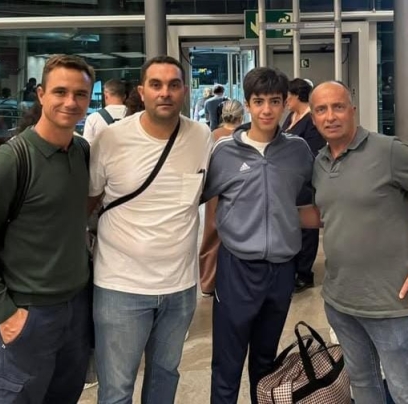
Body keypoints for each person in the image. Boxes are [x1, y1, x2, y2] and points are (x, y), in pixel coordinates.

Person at [0, 54, 95, 403]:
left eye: (80, 94)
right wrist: (6, 314)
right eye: (60, 92)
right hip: (28, 313)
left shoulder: (81, 151)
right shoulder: (10, 162)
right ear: (41, 94)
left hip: (76, 310)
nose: (70, 102)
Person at [300, 81, 408, 404]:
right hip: (341, 302)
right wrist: (270, 212)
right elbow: (327, 214)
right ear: (313, 119)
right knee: (363, 385)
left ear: (352, 111)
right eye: (321, 110)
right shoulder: (319, 163)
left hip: (389, 303)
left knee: (406, 392)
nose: (330, 116)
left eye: (338, 107)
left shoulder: (388, 151)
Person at [88, 55, 213, 404]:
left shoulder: (200, 136)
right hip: (120, 287)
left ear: (185, 91)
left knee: (164, 379)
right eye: (156, 85)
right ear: (142, 92)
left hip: (179, 288)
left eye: (174, 85)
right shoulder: (111, 139)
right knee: (116, 389)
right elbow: (90, 201)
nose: (165, 93)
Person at [202, 67, 314, 404]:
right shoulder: (224, 152)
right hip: (237, 268)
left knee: (266, 363)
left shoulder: (298, 151)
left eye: (274, 101)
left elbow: (311, 201)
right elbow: (196, 199)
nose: (267, 109)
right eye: (259, 101)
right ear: (248, 104)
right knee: (227, 363)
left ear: (285, 104)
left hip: (281, 269)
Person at [283, 78, 326, 293]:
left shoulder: (311, 121)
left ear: (297, 95)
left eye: (288, 96)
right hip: (288, 181)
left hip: (305, 181)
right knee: (292, 225)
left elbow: (313, 152)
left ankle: (304, 273)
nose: (286, 101)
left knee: (307, 229)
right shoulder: (291, 117)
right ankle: (292, 268)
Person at [198, 99, 245, 297]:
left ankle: (207, 282)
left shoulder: (212, 136)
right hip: (241, 191)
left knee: (211, 235)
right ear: (242, 115)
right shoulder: (244, 136)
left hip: (215, 191)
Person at [83, 78, 127, 143]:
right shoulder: (135, 116)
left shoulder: (93, 118)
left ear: (106, 96)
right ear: (124, 96)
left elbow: (86, 146)